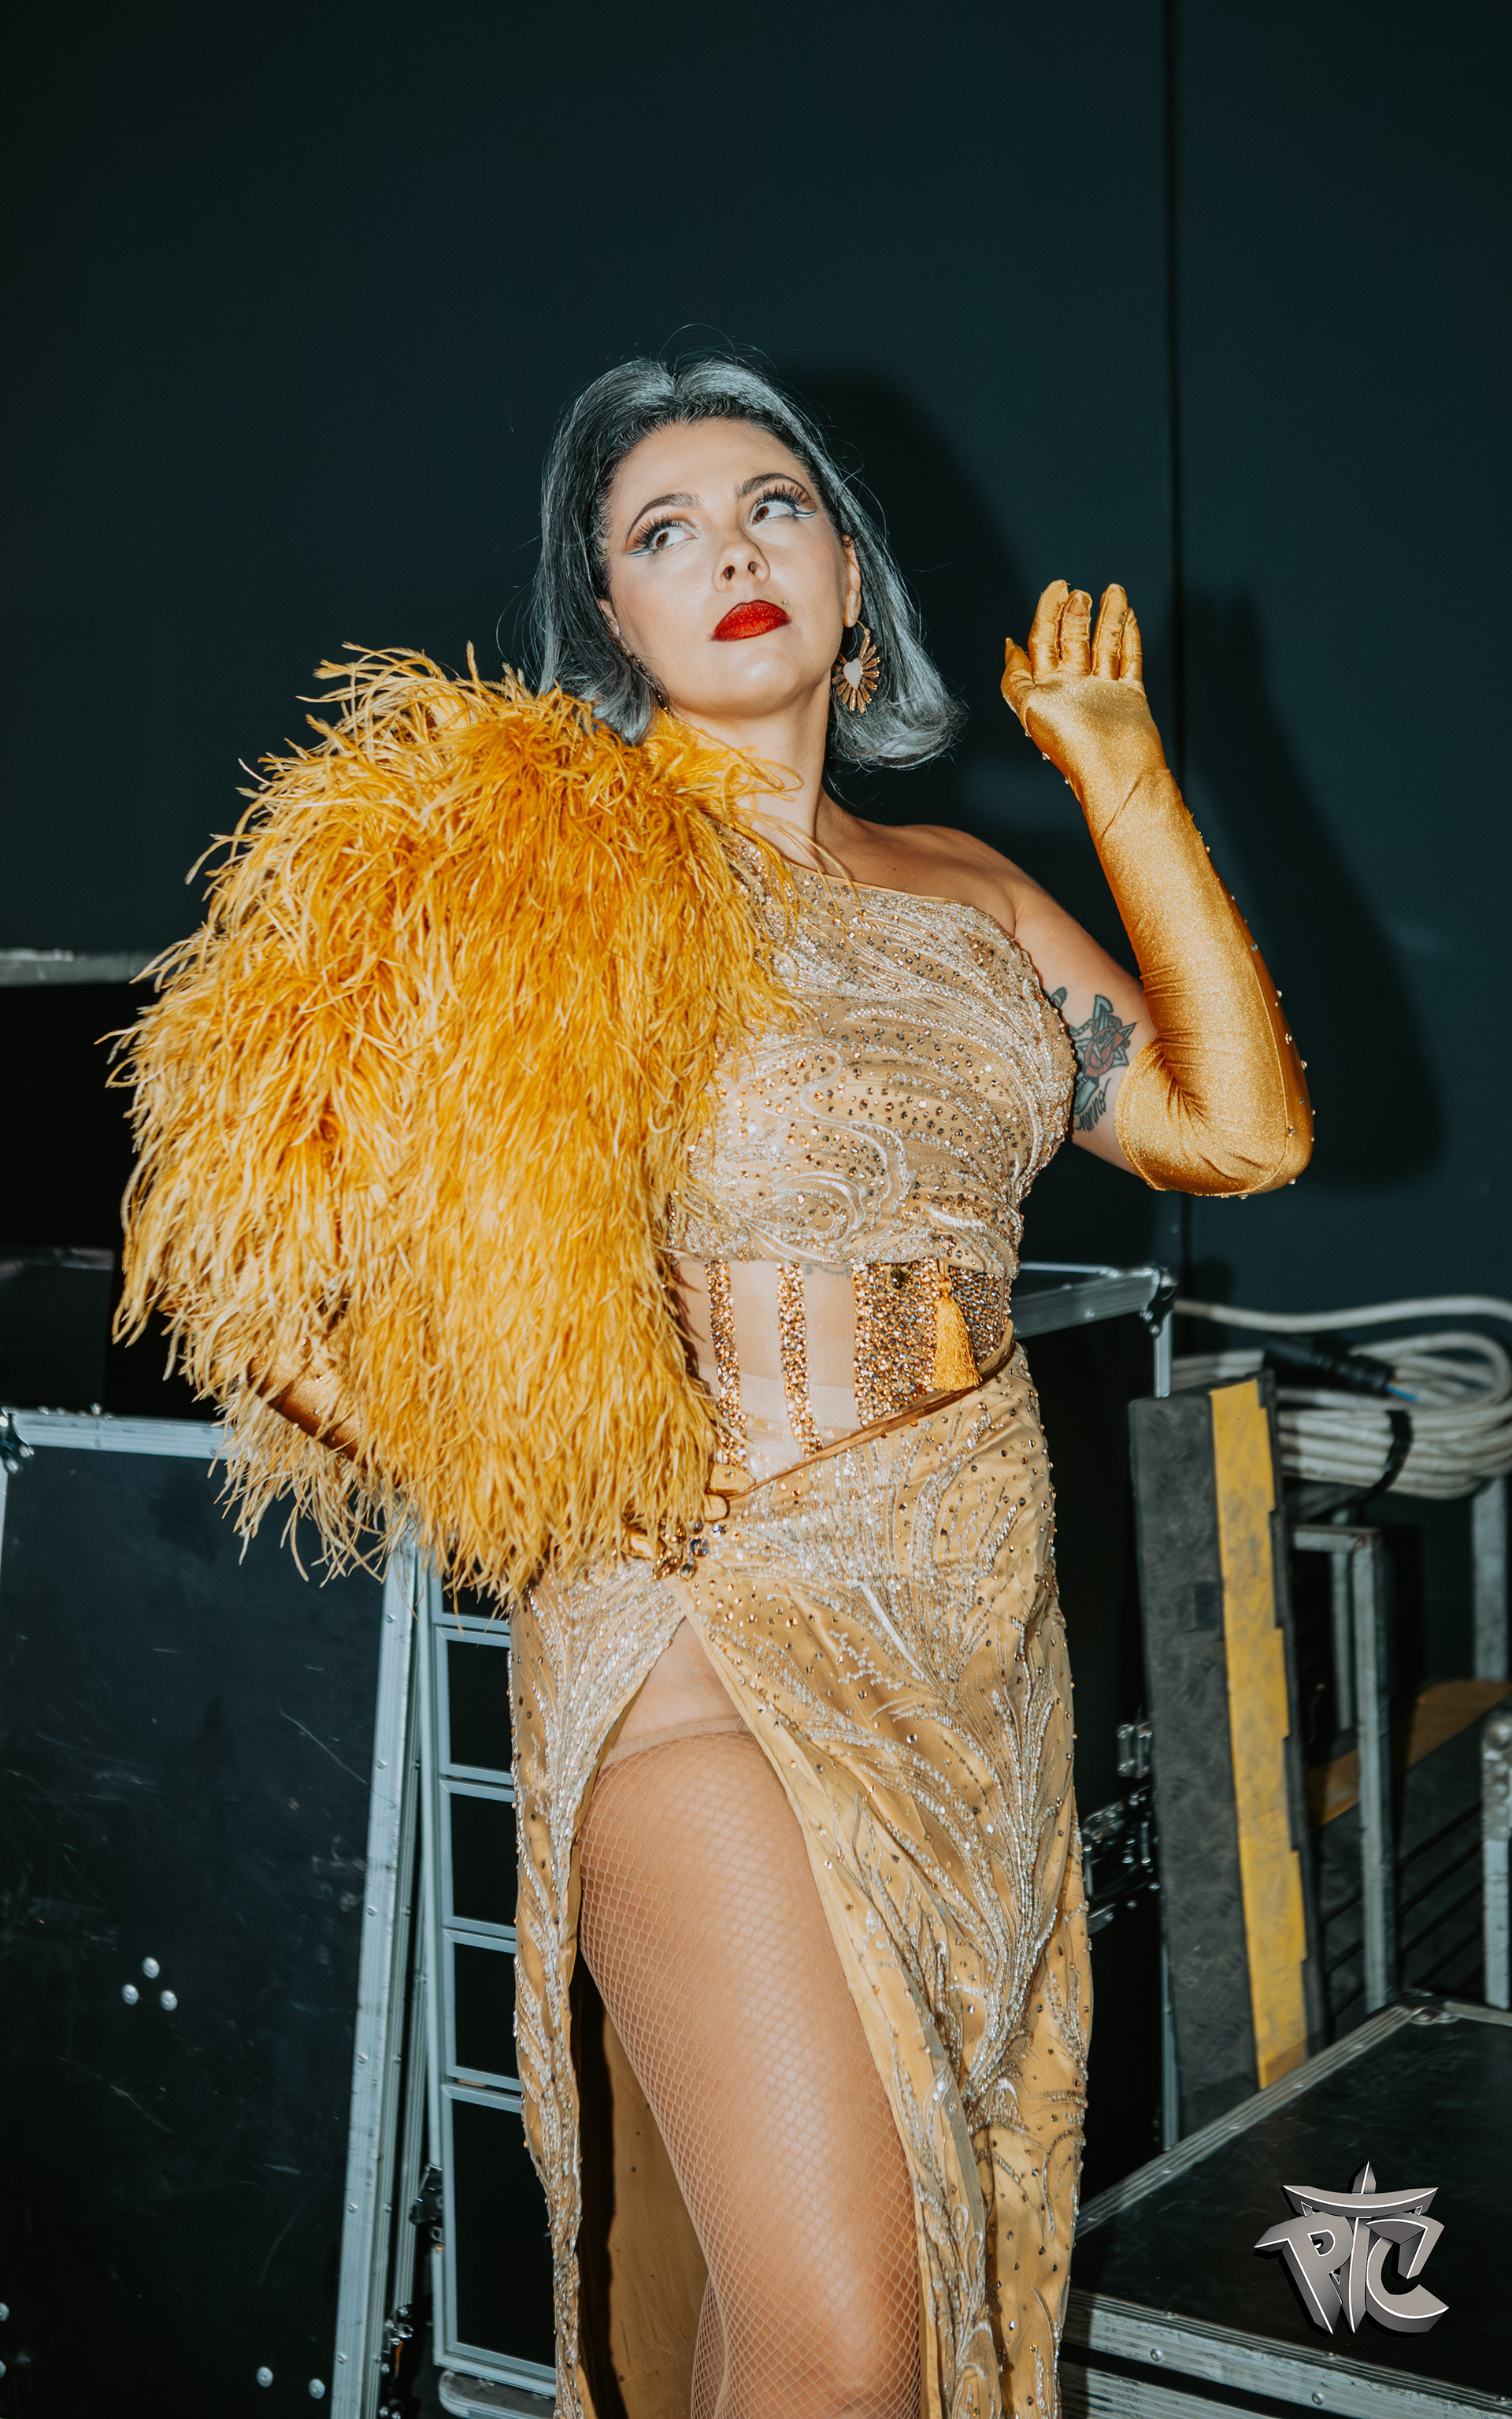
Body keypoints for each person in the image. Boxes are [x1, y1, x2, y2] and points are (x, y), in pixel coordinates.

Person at [120, 354, 1311, 2419]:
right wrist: (546, 1475)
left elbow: (1239, 1132)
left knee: (844, 2299)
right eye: (662, 531)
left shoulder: (971, 893)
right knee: (851, 2344)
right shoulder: (532, 861)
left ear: (850, 577)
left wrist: (1122, 775)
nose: (731, 551)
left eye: (774, 506)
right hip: (698, 1632)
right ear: (610, 617)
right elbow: (242, 1271)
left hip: (966, 1629)